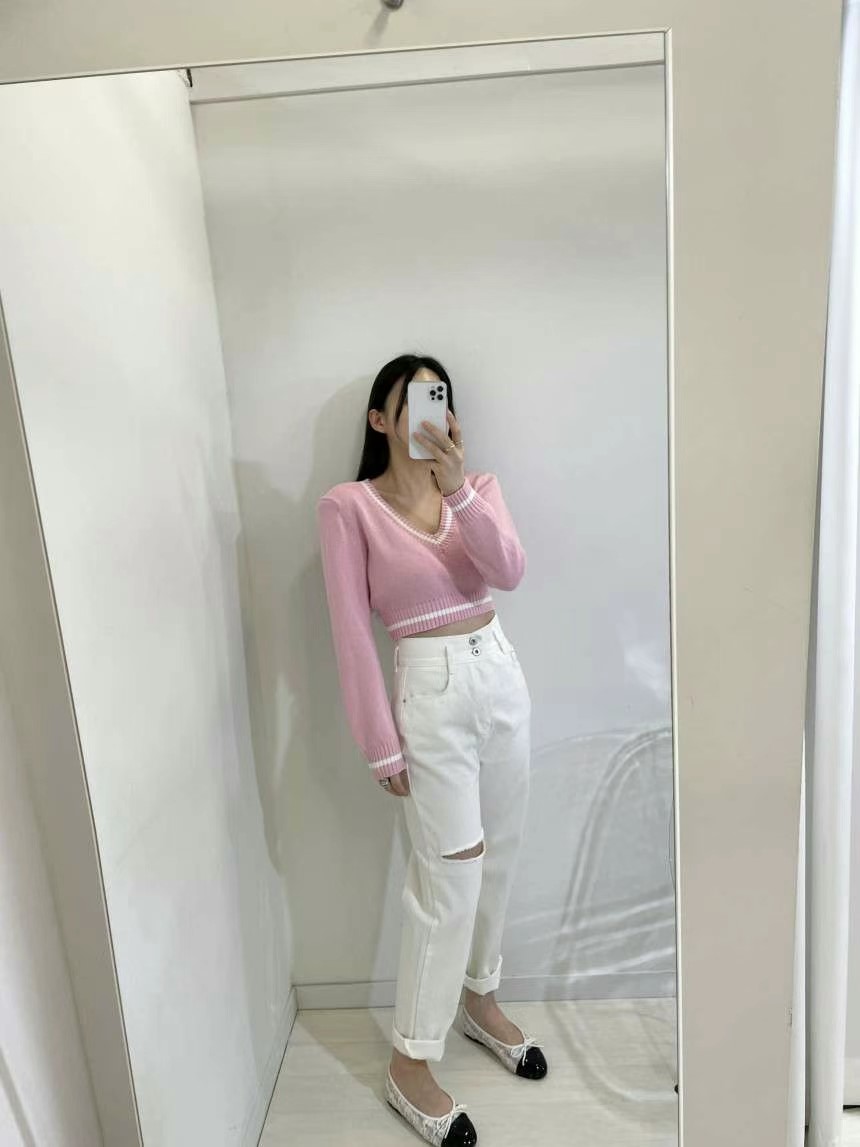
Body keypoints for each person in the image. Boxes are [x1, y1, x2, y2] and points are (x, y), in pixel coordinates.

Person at [316, 354, 547, 1146]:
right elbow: (350, 629)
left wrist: (456, 492)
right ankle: (410, 1059)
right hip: (429, 689)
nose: (429, 413)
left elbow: (508, 571)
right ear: (381, 418)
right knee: (449, 875)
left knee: (500, 854)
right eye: (412, 400)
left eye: (438, 399)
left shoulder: (476, 488)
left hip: (500, 673)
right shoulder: (349, 506)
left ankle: (480, 997)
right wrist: (379, 742)